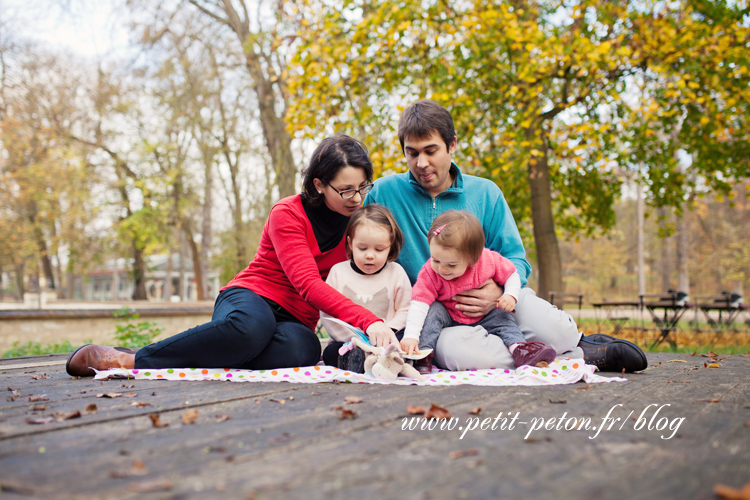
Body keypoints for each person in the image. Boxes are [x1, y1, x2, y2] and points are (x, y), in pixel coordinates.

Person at [66, 135, 400, 377]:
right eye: (346, 190)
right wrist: (369, 321)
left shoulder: (356, 227)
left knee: (304, 350)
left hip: (294, 321)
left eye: (363, 187)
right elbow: (308, 285)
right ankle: (133, 359)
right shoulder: (288, 213)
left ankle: (212, 351)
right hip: (251, 297)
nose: (357, 198)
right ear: (318, 185)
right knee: (251, 328)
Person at [364, 100, 647, 372]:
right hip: (437, 316)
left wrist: (498, 293)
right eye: (412, 153)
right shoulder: (384, 193)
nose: (422, 162)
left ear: (452, 145)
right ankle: (578, 356)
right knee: (452, 353)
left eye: (430, 150)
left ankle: (575, 342)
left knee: (556, 329)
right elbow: (364, 252)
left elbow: (515, 260)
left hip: (496, 302)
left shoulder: (485, 193)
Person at [401, 210, 556, 374]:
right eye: (435, 259)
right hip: (450, 314)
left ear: (473, 259)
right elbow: (419, 303)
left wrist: (510, 295)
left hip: (486, 314)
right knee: (432, 313)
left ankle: (519, 349)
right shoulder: (430, 273)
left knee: (504, 317)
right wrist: (411, 335)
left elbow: (511, 274)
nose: (441, 268)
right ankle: (423, 355)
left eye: (451, 265)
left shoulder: (488, 261)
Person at [319, 204, 412, 369]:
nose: (370, 255)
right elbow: (328, 314)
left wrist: (387, 330)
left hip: (387, 341)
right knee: (330, 353)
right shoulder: (338, 272)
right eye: (362, 248)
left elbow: (405, 310)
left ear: (390, 245)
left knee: (404, 342)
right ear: (350, 243)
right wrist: (357, 339)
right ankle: (364, 361)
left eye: (379, 249)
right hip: (348, 342)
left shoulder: (396, 273)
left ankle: (390, 360)